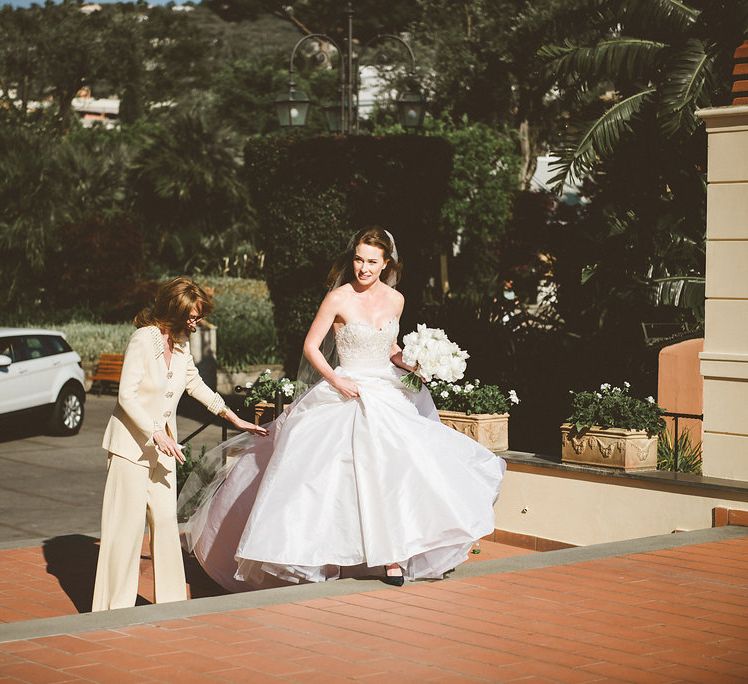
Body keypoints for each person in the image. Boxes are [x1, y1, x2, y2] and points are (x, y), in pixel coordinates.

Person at [178, 228, 505, 590]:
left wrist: (415, 363)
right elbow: (311, 347)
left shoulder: (396, 300)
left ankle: (393, 555)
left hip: (386, 391)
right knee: (326, 479)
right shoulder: (338, 298)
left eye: (372, 261)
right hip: (345, 388)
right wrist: (336, 380)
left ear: (386, 264)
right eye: (359, 259)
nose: (363, 268)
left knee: (394, 473)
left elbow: (391, 347)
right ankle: (321, 553)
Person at [92, 277, 268, 612]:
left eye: (198, 315)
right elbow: (126, 395)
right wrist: (157, 431)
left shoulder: (183, 346)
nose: (195, 321)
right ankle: (113, 609)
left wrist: (233, 417)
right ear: (172, 309)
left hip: (163, 451)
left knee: (166, 524)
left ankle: (172, 604)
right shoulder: (143, 340)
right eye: (191, 315)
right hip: (130, 448)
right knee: (125, 530)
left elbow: (196, 386)